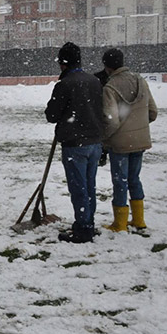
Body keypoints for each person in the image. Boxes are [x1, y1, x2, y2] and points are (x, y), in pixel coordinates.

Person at [44, 42, 103, 243]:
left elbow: (52, 115)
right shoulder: (94, 81)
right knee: (89, 185)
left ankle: (83, 229)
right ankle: (88, 222)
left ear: (63, 63)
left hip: (75, 143)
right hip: (94, 142)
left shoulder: (65, 84)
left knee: (79, 188)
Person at [99, 48, 157, 232]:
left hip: (120, 144)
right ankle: (139, 220)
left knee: (120, 181)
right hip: (139, 141)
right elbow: (153, 113)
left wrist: (104, 139)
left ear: (107, 66)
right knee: (134, 179)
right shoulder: (140, 80)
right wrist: (137, 125)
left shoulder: (110, 87)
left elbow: (111, 120)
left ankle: (120, 223)